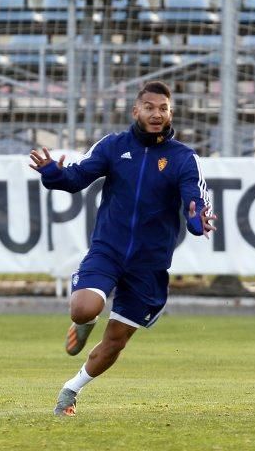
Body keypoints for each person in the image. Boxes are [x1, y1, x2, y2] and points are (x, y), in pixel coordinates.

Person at [29, 81, 216, 417]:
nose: (156, 114)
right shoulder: (114, 147)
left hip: (150, 265)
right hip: (109, 249)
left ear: (170, 112)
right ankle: (83, 324)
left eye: (163, 108)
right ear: (136, 110)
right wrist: (52, 173)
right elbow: (75, 178)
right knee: (83, 308)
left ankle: (71, 390)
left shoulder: (184, 158)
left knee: (116, 340)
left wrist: (198, 221)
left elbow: (195, 203)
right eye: (150, 107)